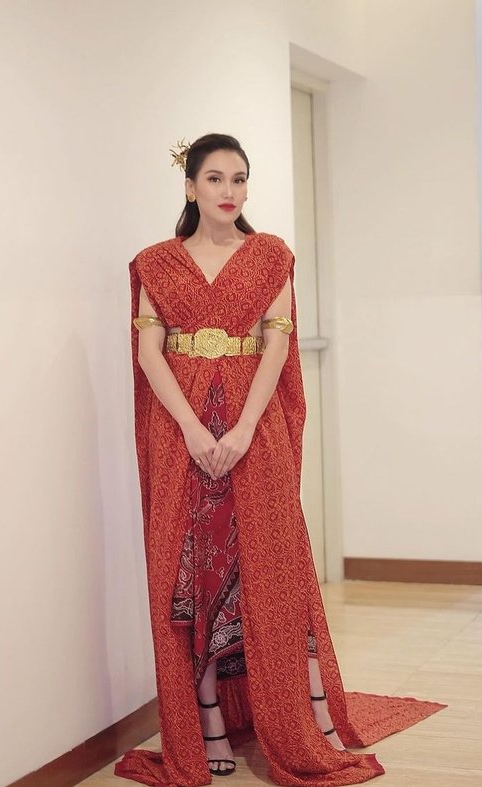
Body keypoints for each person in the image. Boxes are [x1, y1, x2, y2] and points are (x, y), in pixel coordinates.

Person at [114, 133, 444, 786]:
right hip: (180, 436)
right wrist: (190, 428)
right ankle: (206, 717)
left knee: (273, 562)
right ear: (190, 187)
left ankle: (309, 714)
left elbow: (273, 348)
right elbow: (151, 355)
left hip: (250, 431)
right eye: (215, 179)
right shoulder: (155, 262)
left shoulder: (269, 258)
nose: (229, 191)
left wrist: (238, 429)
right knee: (191, 571)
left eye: (239, 178)